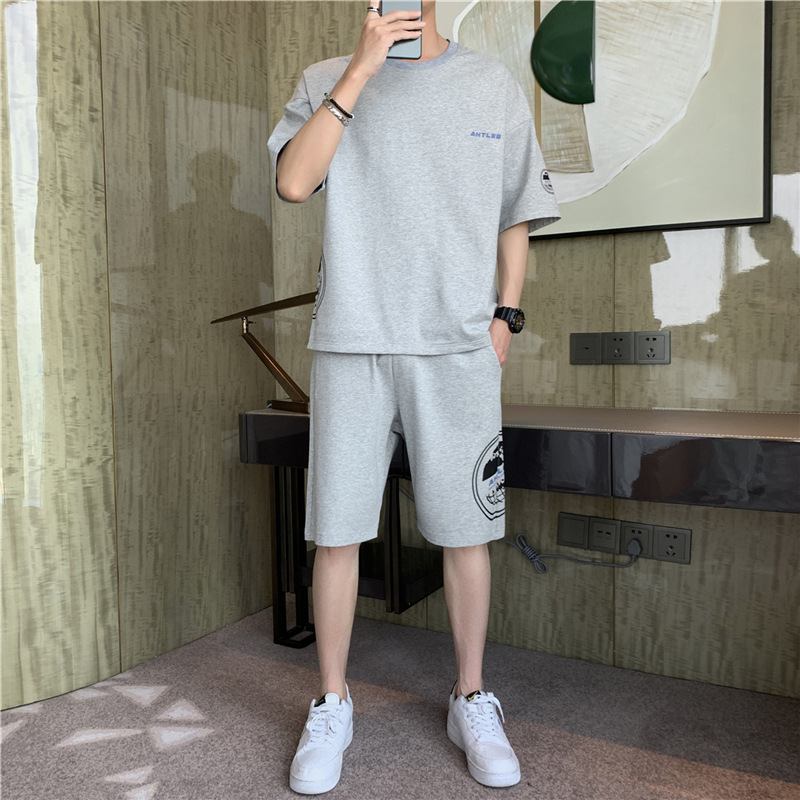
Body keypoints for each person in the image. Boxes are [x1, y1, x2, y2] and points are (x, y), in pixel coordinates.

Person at [267, 1, 559, 794]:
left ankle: (471, 697)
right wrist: (361, 69)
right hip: (351, 340)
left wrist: (506, 315)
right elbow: (294, 181)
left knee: (467, 532)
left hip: (458, 346)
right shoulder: (325, 78)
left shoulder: (490, 84)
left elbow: (516, 210)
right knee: (336, 532)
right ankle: (332, 701)